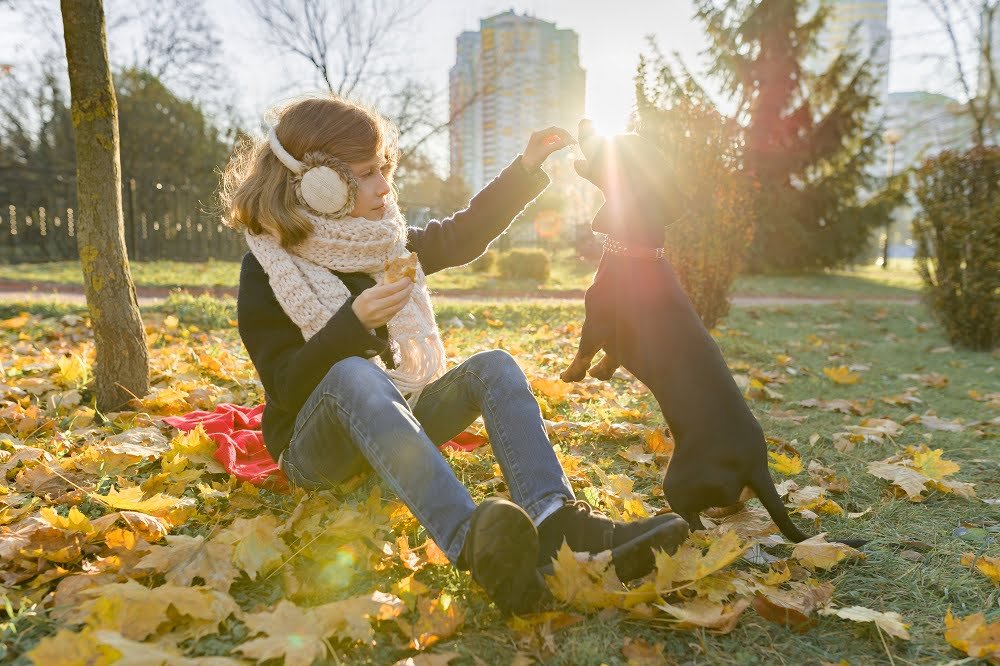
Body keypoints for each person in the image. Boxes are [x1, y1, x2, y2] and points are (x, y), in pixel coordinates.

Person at [221, 95, 688, 614]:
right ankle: (476, 545)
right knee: (355, 373)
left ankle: (558, 522)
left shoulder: (384, 244)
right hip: (315, 453)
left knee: (493, 365)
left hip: (392, 426)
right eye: (367, 174)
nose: (385, 186)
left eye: (384, 168)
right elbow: (286, 384)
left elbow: (461, 237)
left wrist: (526, 168)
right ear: (320, 187)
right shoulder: (267, 271)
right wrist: (352, 326)